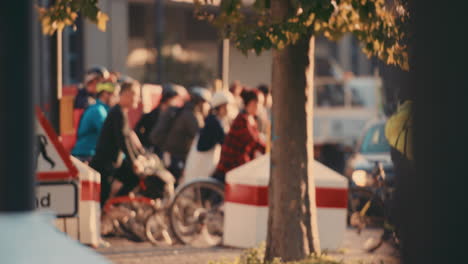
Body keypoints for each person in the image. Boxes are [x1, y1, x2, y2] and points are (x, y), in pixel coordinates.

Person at [90, 81, 143, 207]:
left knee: (134, 178)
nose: (137, 98)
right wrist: (133, 161)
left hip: (113, 163)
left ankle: (114, 205)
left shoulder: (121, 113)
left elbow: (128, 139)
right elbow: (122, 140)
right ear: (124, 95)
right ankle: (112, 207)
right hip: (106, 165)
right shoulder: (117, 113)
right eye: (134, 94)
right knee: (102, 202)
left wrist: (139, 156)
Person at [150, 87, 212, 181]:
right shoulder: (191, 116)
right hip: (175, 155)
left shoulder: (185, 112)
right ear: (200, 102)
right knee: (174, 181)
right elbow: (200, 135)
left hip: (171, 153)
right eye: (206, 103)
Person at [212, 89, 266, 183]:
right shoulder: (243, 120)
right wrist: (268, 149)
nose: (261, 107)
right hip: (232, 164)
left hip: (241, 163)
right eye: (260, 103)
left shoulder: (250, 119)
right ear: (252, 103)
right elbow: (254, 141)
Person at [182, 91, 234, 183]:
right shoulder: (214, 122)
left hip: (205, 160)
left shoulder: (215, 120)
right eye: (225, 106)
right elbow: (224, 140)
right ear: (218, 107)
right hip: (203, 162)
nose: (228, 109)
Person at [72, 81, 119, 162]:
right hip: (86, 156)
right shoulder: (98, 111)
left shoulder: (103, 110)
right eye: (115, 95)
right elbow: (110, 135)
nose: (117, 99)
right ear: (105, 94)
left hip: (90, 154)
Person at [134, 83, 185, 150]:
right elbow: (138, 128)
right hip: (151, 148)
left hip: (164, 148)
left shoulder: (174, 114)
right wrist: (145, 142)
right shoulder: (152, 114)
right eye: (173, 98)